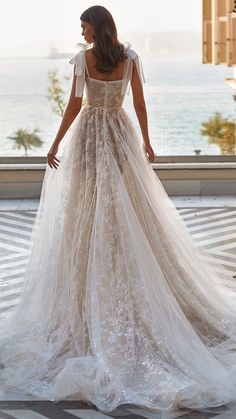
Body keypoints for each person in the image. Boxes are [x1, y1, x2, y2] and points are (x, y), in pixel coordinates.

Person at [0, 5, 236, 418]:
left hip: (91, 134)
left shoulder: (82, 59)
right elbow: (140, 104)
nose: (81, 31)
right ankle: (116, 262)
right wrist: (145, 140)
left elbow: (74, 107)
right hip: (119, 132)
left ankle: (98, 271)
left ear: (97, 26)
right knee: (124, 205)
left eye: (84, 25)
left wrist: (55, 144)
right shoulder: (129, 58)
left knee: (91, 205)